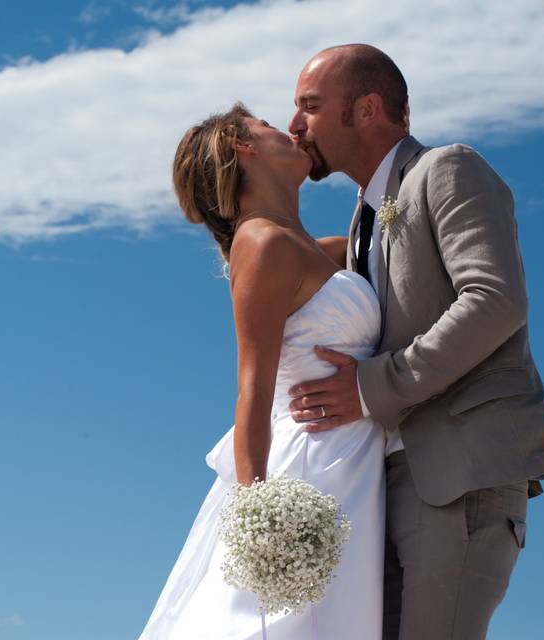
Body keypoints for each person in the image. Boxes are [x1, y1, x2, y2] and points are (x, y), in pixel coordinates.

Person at [284, 44, 544, 640]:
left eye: (310, 106)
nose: (295, 126)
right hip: (377, 485)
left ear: (367, 109)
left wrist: (369, 387)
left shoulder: (448, 169)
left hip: (456, 476)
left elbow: (494, 301)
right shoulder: (361, 220)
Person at [138, 104, 385, 639]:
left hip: (354, 463)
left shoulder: (326, 251)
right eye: (271, 126)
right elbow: (252, 386)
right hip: (309, 470)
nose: (292, 128)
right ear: (241, 146)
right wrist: (262, 517)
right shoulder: (261, 242)